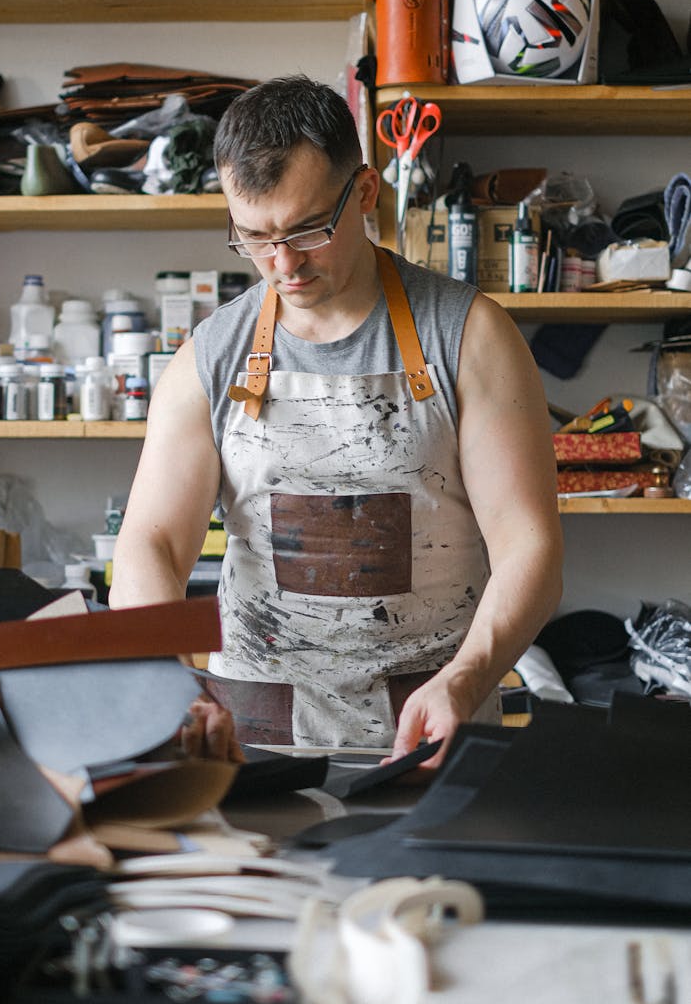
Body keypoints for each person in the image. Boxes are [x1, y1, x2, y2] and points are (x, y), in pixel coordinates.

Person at [111, 75, 563, 764]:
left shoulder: (467, 335)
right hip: (249, 735)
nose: (283, 264)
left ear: (363, 192)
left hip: (432, 726)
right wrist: (162, 687)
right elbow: (150, 544)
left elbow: (528, 545)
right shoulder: (209, 357)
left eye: (306, 230)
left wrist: (466, 680)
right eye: (254, 237)